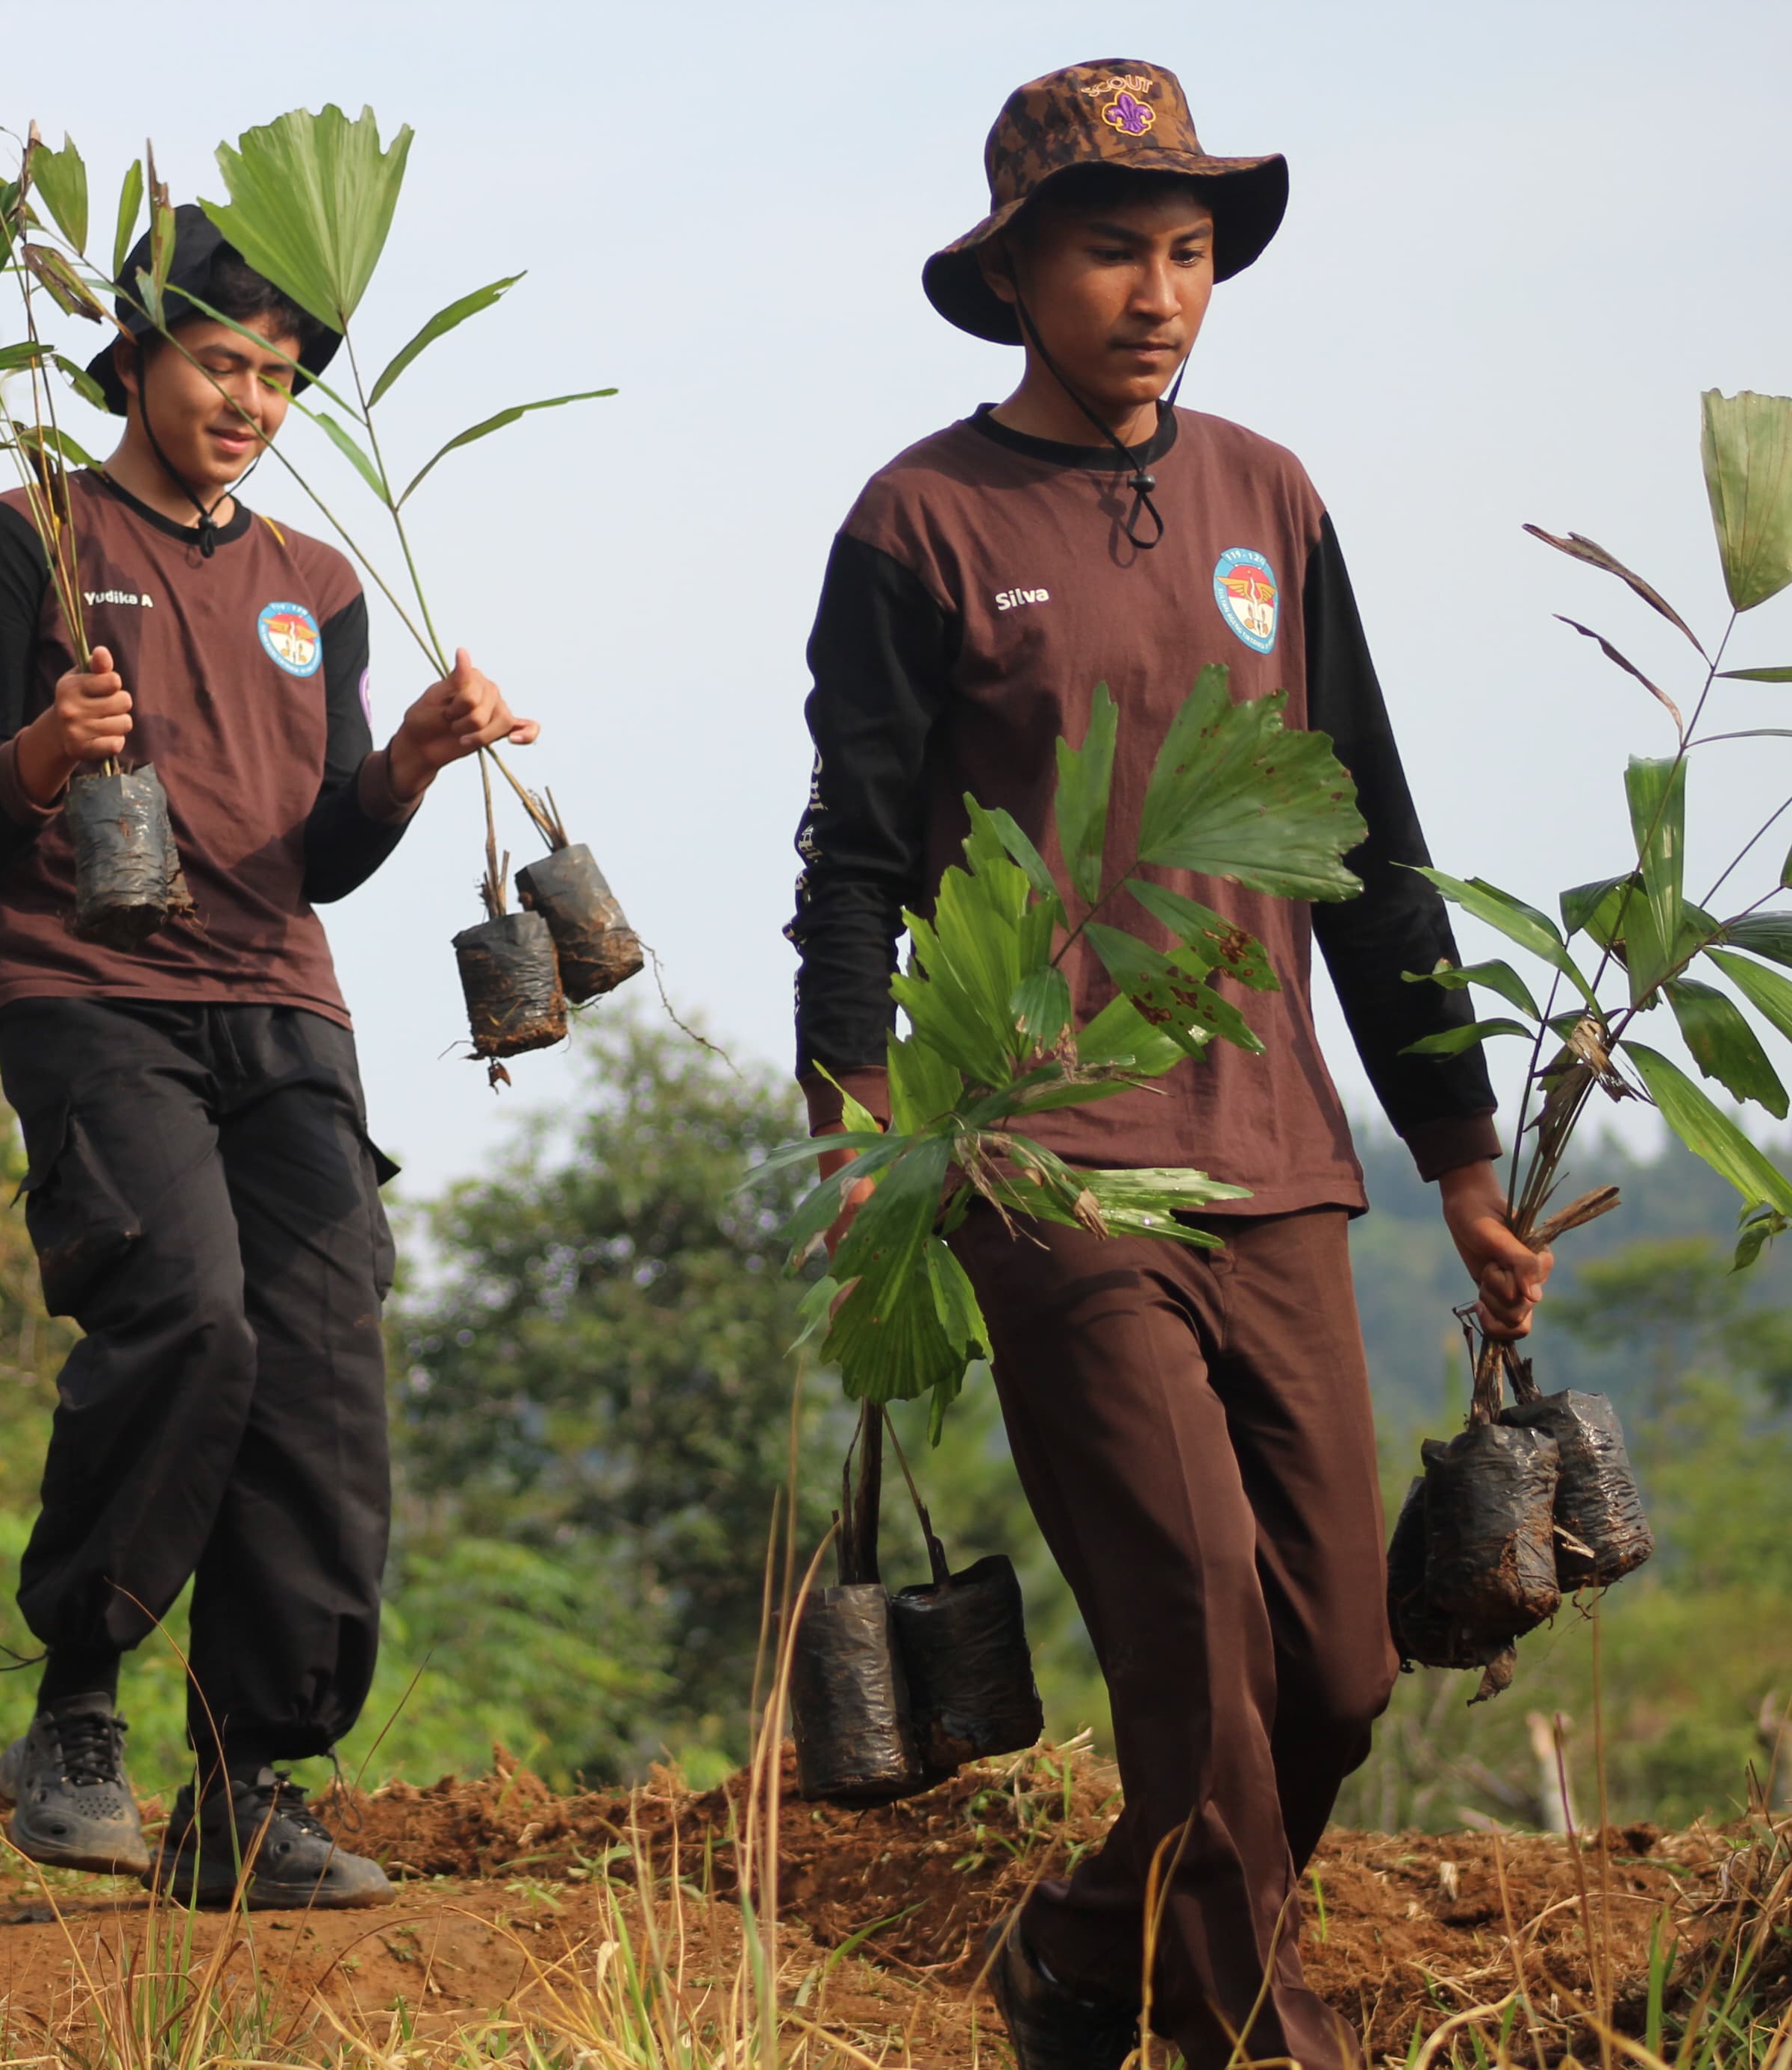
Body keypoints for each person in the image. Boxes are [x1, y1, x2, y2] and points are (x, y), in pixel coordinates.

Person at [784, 61, 1552, 2070]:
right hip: (1045, 1161)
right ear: (1020, 269)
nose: (1161, 288)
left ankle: (1078, 1954)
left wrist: (1457, 1150)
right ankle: (1262, 2037)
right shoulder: (920, 522)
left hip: (1282, 1150)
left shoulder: (1271, 503)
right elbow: (855, 852)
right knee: (1199, 1635)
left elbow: (1369, 834)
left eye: (1192, 250)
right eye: (1117, 246)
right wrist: (857, 1115)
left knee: (1341, 1662)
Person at [0, 205, 532, 1910]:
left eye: (277, 375)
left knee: (322, 1367)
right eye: (219, 360)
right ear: (133, 356)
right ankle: (73, 1710)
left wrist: (408, 757)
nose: (249, 397)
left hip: (287, 1003)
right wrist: (47, 747)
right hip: (87, 988)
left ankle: (249, 1782)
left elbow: (322, 853)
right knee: (187, 1310)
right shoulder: (22, 533)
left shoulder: (317, 587)